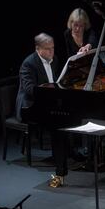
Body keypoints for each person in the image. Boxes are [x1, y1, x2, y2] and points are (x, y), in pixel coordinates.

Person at [15, 32, 68, 188]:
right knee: (58, 125)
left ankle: (67, 156)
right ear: (38, 49)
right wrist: (50, 90)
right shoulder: (28, 64)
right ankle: (60, 169)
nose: (52, 52)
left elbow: (57, 81)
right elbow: (30, 89)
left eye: (53, 48)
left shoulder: (55, 59)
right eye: (48, 49)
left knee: (67, 117)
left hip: (49, 101)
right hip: (30, 105)